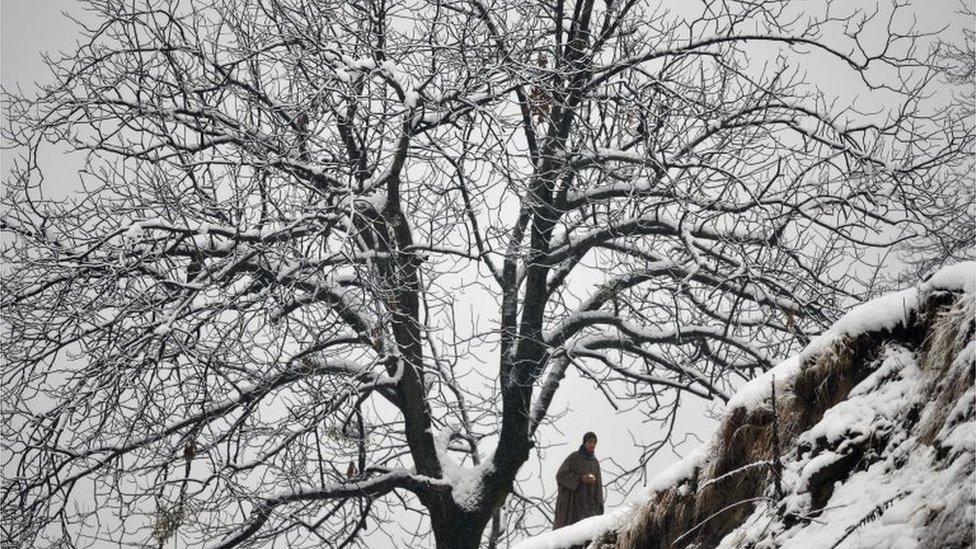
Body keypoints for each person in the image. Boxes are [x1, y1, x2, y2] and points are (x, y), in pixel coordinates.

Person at [553, 431, 604, 531]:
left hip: (588, 507)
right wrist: (580, 478)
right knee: (569, 534)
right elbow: (560, 476)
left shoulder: (595, 463)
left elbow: (599, 487)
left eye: (594, 443)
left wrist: (599, 508)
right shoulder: (574, 458)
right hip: (572, 505)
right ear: (584, 443)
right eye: (589, 442)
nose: (592, 445)